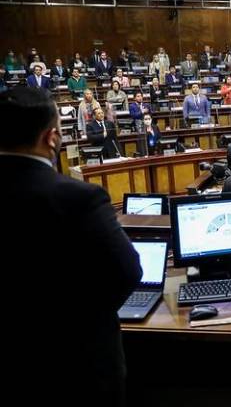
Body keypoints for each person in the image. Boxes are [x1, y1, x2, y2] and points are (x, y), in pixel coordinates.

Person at [1, 87, 142, 406]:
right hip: (79, 366)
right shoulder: (79, 197)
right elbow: (129, 272)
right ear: (51, 138)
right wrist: (86, 312)